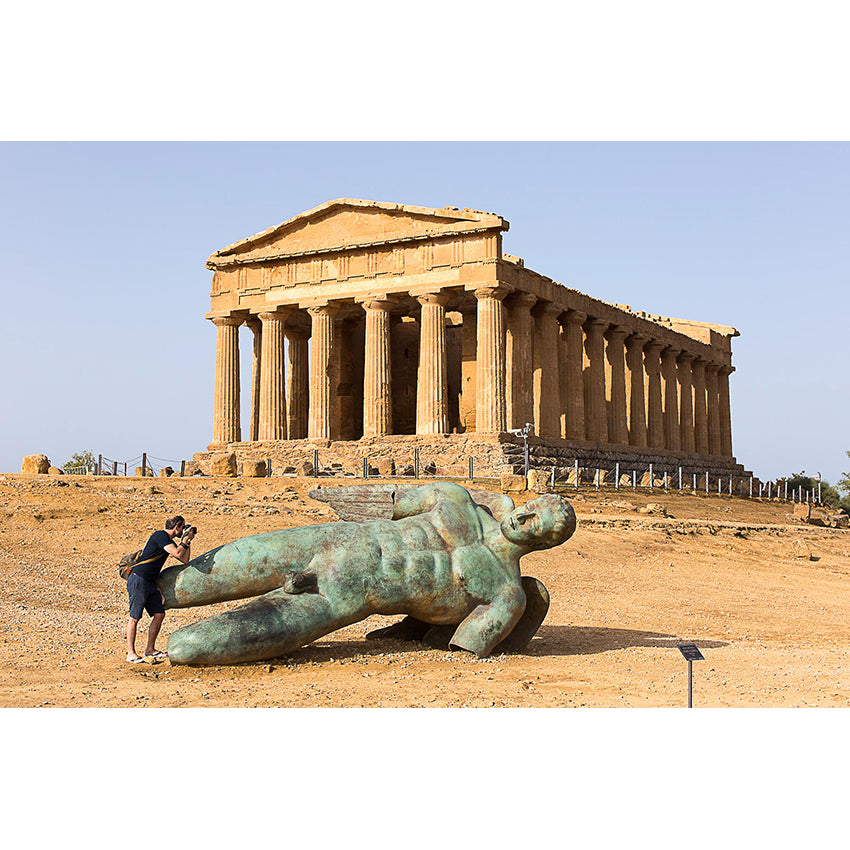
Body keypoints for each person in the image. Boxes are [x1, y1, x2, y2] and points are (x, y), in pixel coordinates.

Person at [157, 483, 575, 666]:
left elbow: (465, 646)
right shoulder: (455, 498)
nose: (527, 519)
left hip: (344, 594)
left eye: (542, 526)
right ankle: (144, 594)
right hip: (331, 539)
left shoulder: (506, 594)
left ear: (547, 543)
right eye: (533, 508)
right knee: (170, 586)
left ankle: (162, 640)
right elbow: (386, 505)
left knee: (188, 647)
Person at [126, 515, 195, 663]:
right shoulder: (160, 535)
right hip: (139, 580)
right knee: (134, 618)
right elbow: (177, 553)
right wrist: (183, 540)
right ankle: (130, 653)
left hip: (150, 583)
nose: (183, 530)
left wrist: (188, 541)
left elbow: (184, 559)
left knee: (159, 614)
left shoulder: (168, 541)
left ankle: (150, 650)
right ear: (176, 527)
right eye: (182, 528)